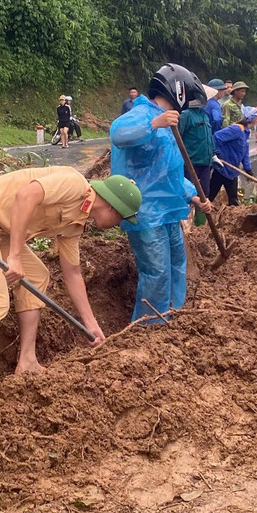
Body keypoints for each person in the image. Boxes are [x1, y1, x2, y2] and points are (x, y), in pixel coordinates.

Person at [0, 168, 143, 403]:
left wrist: (91, 323)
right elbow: (25, 195)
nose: (119, 225)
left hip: (1, 231)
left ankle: (27, 361)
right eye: (122, 219)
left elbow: (73, 272)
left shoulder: (76, 224)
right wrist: (14, 256)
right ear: (112, 207)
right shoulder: (74, 184)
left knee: (37, 276)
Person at [111, 64, 213, 324]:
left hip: (168, 211)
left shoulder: (170, 123)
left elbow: (171, 172)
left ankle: (172, 315)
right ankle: (149, 328)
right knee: (156, 272)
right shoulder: (143, 112)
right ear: (177, 91)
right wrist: (154, 123)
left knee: (177, 264)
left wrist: (193, 196)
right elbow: (118, 133)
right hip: (145, 213)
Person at [211, 106, 257, 206]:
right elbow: (216, 137)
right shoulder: (237, 129)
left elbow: (245, 153)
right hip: (222, 168)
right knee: (209, 196)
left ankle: (232, 218)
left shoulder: (246, 132)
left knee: (234, 200)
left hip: (233, 171)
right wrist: (217, 153)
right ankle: (200, 218)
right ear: (253, 119)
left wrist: (248, 169)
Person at [178, 86, 216, 198]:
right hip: (191, 163)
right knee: (189, 195)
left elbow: (209, 136)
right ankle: (188, 215)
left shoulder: (204, 115)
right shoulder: (186, 115)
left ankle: (201, 216)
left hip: (205, 162)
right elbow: (177, 137)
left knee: (204, 194)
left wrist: (213, 154)